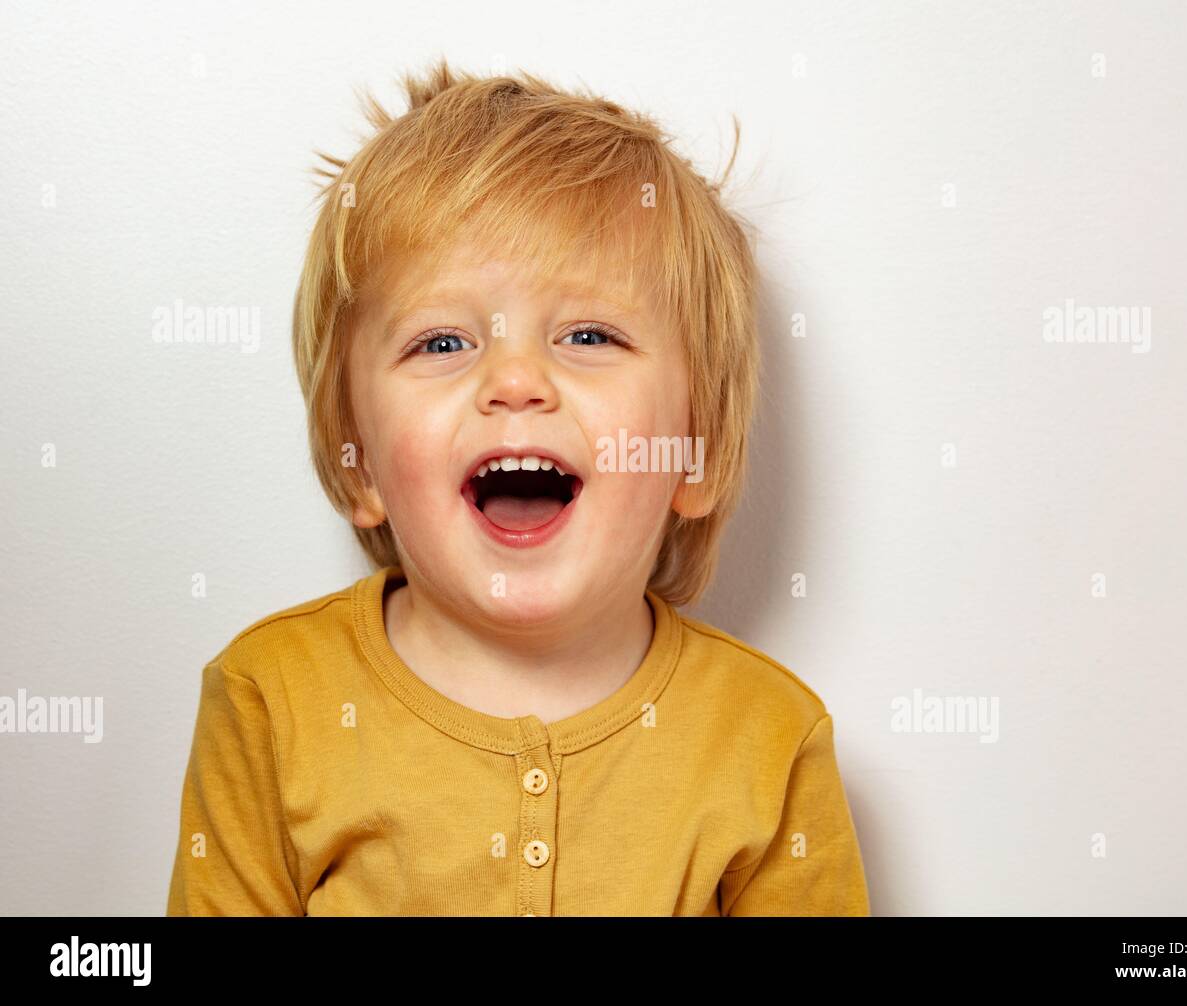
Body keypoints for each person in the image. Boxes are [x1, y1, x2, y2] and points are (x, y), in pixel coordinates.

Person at [165, 58, 869, 916]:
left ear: (697, 453)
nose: (515, 379)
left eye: (588, 333)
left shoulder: (770, 739)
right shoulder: (269, 701)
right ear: (357, 460)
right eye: (443, 343)